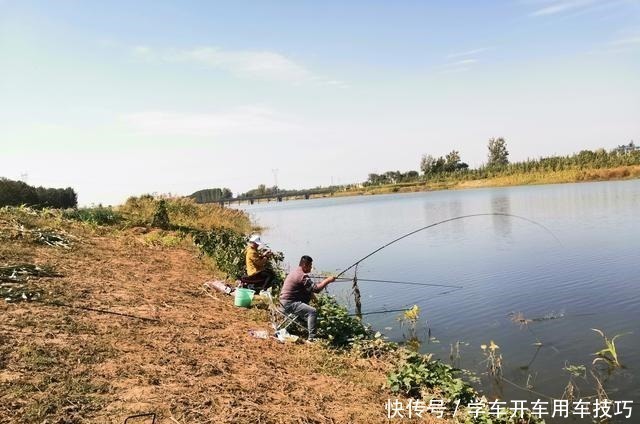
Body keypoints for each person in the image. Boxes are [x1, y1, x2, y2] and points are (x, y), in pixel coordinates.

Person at [279, 255, 336, 342]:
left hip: (283, 301)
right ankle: (311, 338)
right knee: (312, 311)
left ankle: (304, 322)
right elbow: (316, 289)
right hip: (289, 303)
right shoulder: (302, 276)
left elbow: (309, 289)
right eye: (310, 266)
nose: (311, 268)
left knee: (307, 306)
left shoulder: (295, 271)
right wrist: (327, 280)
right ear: (305, 265)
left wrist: (313, 297)